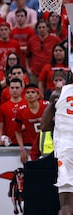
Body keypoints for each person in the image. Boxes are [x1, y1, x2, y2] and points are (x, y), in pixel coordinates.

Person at [41, 77, 73, 215]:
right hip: (65, 148)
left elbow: (44, 127)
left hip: (65, 149)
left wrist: (51, 103)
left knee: (66, 205)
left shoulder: (59, 93)